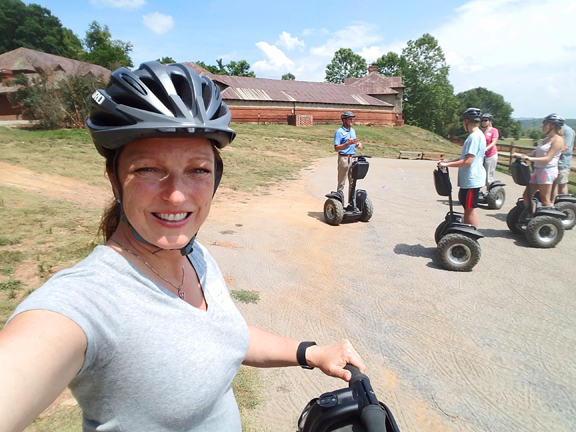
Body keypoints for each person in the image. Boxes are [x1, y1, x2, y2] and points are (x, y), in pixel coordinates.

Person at [0, 62, 365, 432]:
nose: (176, 195)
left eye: (198, 170)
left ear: (215, 178)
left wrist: (311, 353)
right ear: (114, 180)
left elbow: (225, 335)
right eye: (147, 169)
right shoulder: (87, 302)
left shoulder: (196, 255)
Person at [438, 108, 486, 228]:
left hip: (472, 180)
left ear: (466, 121)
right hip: (469, 180)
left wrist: (447, 165)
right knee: (467, 207)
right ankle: (467, 233)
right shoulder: (477, 135)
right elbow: (463, 158)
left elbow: (468, 161)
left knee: (470, 209)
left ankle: (470, 237)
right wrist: (447, 162)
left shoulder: (474, 137)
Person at [512, 113, 565, 211]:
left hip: (547, 171)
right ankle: (534, 216)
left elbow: (548, 158)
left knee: (545, 199)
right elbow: (535, 152)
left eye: (545, 124)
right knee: (526, 195)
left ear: (553, 125)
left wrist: (530, 159)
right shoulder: (546, 139)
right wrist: (522, 155)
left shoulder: (558, 140)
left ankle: (546, 221)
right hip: (538, 170)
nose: (543, 126)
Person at [334, 111, 362, 209]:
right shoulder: (339, 132)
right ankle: (339, 205)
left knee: (353, 181)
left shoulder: (353, 131)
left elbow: (354, 142)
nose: (352, 120)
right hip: (344, 158)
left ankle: (351, 204)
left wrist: (358, 144)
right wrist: (347, 144)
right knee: (342, 182)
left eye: (352, 119)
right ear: (344, 120)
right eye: (350, 119)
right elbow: (336, 148)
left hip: (353, 158)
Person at [551, 119, 575, 202]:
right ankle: (552, 203)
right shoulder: (557, 131)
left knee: (562, 184)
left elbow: (566, 148)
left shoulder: (567, 131)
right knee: (553, 184)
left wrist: (550, 153)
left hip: (562, 162)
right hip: (555, 162)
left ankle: (564, 204)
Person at [480, 113, 499, 194]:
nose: (483, 122)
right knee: (480, 173)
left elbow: (494, 142)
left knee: (488, 174)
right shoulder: (481, 131)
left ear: (490, 121)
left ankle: (489, 193)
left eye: (485, 120)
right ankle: (478, 191)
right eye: (482, 120)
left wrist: (486, 148)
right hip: (481, 155)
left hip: (490, 155)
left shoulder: (494, 130)